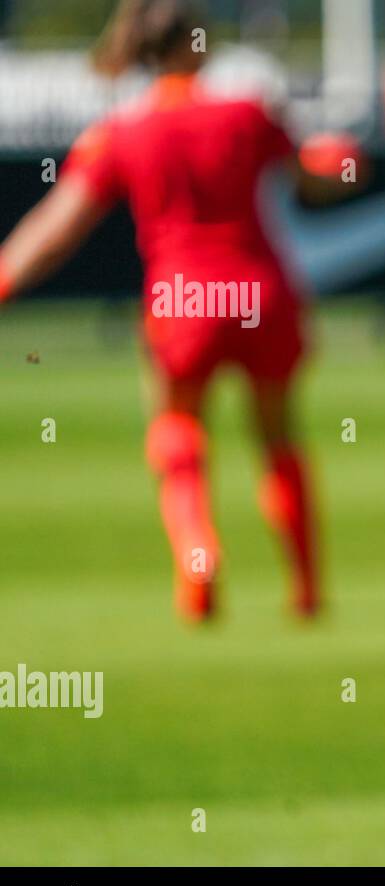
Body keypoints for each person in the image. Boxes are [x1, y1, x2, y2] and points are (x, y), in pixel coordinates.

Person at [0, 0, 349, 621]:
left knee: (176, 426)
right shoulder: (249, 112)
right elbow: (314, 180)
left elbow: (56, 230)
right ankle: (306, 587)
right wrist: (344, 165)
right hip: (260, 292)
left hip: (183, 299)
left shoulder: (124, 130)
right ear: (199, 44)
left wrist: (4, 279)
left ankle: (197, 552)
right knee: (278, 434)